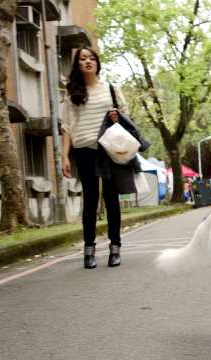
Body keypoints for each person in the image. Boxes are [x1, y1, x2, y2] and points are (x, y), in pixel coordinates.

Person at [61, 47, 130, 269]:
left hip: (108, 147)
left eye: (91, 58)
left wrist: (116, 116)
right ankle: (89, 250)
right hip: (83, 150)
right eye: (83, 59)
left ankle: (115, 248)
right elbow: (67, 127)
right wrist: (64, 156)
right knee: (90, 200)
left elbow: (126, 117)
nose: (88, 61)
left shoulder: (111, 89)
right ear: (77, 65)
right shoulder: (72, 93)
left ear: (97, 63)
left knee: (111, 199)